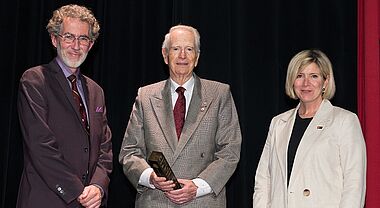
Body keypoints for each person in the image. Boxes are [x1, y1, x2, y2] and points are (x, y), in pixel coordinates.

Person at [119, 25, 242, 207]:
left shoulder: (219, 94)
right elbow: (129, 152)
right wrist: (150, 177)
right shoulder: (145, 96)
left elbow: (230, 151)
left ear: (197, 57)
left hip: (202, 201)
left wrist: (197, 187)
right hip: (156, 201)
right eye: (176, 49)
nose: (182, 55)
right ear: (165, 55)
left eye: (189, 49)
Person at [17, 4, 112, 208]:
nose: (76, 46)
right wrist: (78, 191)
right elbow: (40, 145)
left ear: (91, 44)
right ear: (54, 39)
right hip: (46, 200)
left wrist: (98, 186)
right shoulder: (34, 81)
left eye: (83, 38)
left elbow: (105, 147)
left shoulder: (97, 91)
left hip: (90, 202)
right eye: (69, 37)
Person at [253, 49, 366, 207]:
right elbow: (264, 179)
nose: (306, 83)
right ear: (292, 81)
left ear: (325, 82)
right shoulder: (278, 123)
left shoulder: (344, 121)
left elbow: (354, 183)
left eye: (314, 76)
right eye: (300, 76)